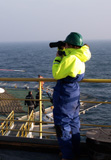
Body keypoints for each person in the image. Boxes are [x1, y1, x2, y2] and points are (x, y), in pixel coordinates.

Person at [52, 32, 91, 160]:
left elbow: (57, 74)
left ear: (69, 45)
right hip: (74, 91)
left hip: (64, 93)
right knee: (74, 123)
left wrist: (58, 57)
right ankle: (75, 151)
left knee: (62, 125)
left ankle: (68, 156)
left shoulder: (70, 58)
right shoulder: (79, 57)